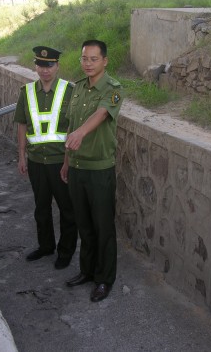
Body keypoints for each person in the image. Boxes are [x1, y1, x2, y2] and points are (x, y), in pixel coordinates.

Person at [61, 39, 123, 303]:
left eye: (93, 59)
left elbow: (101, 114)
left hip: (99, 170)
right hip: (77, 167)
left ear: (105, 61)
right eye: (84, 59)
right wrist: (66, 161)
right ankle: (87, 271)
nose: (88, 64)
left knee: (103, 228)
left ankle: (104, 279)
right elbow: (71, 126)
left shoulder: (113, 89)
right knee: (84, 225)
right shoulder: (77, 88)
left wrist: (80, 133)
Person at [14, 46, 78, 269]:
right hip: (36, 162)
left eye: (49, 65)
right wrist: (21, 156)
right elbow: (22, 124)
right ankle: (46, 246)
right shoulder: (27, 91)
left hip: (60, 162)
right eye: (41, 65)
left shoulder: (69, 91)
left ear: (57, 66)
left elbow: (72, 127)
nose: (45, 70)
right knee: (41, 208)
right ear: (36, 66)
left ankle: (65, 251)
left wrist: (68, 161)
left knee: (67, 210)